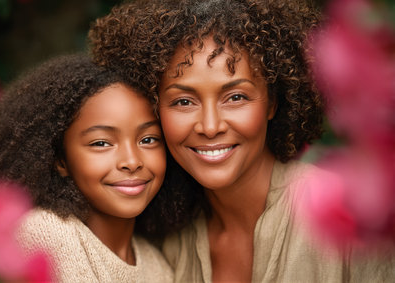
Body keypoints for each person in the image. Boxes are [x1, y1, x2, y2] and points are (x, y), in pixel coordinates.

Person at [88, 0, 395, 282]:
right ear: (155, 109)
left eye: (235, 97)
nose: (210, 126)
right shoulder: (163, 238)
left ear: (273, 103)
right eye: (183, 102)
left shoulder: (350, 214)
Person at [0, 54, 174, 283]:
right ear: (61, 160)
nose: (132, 161)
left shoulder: (158, 266)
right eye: (101, 143)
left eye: (148, 139)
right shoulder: (47, 234)